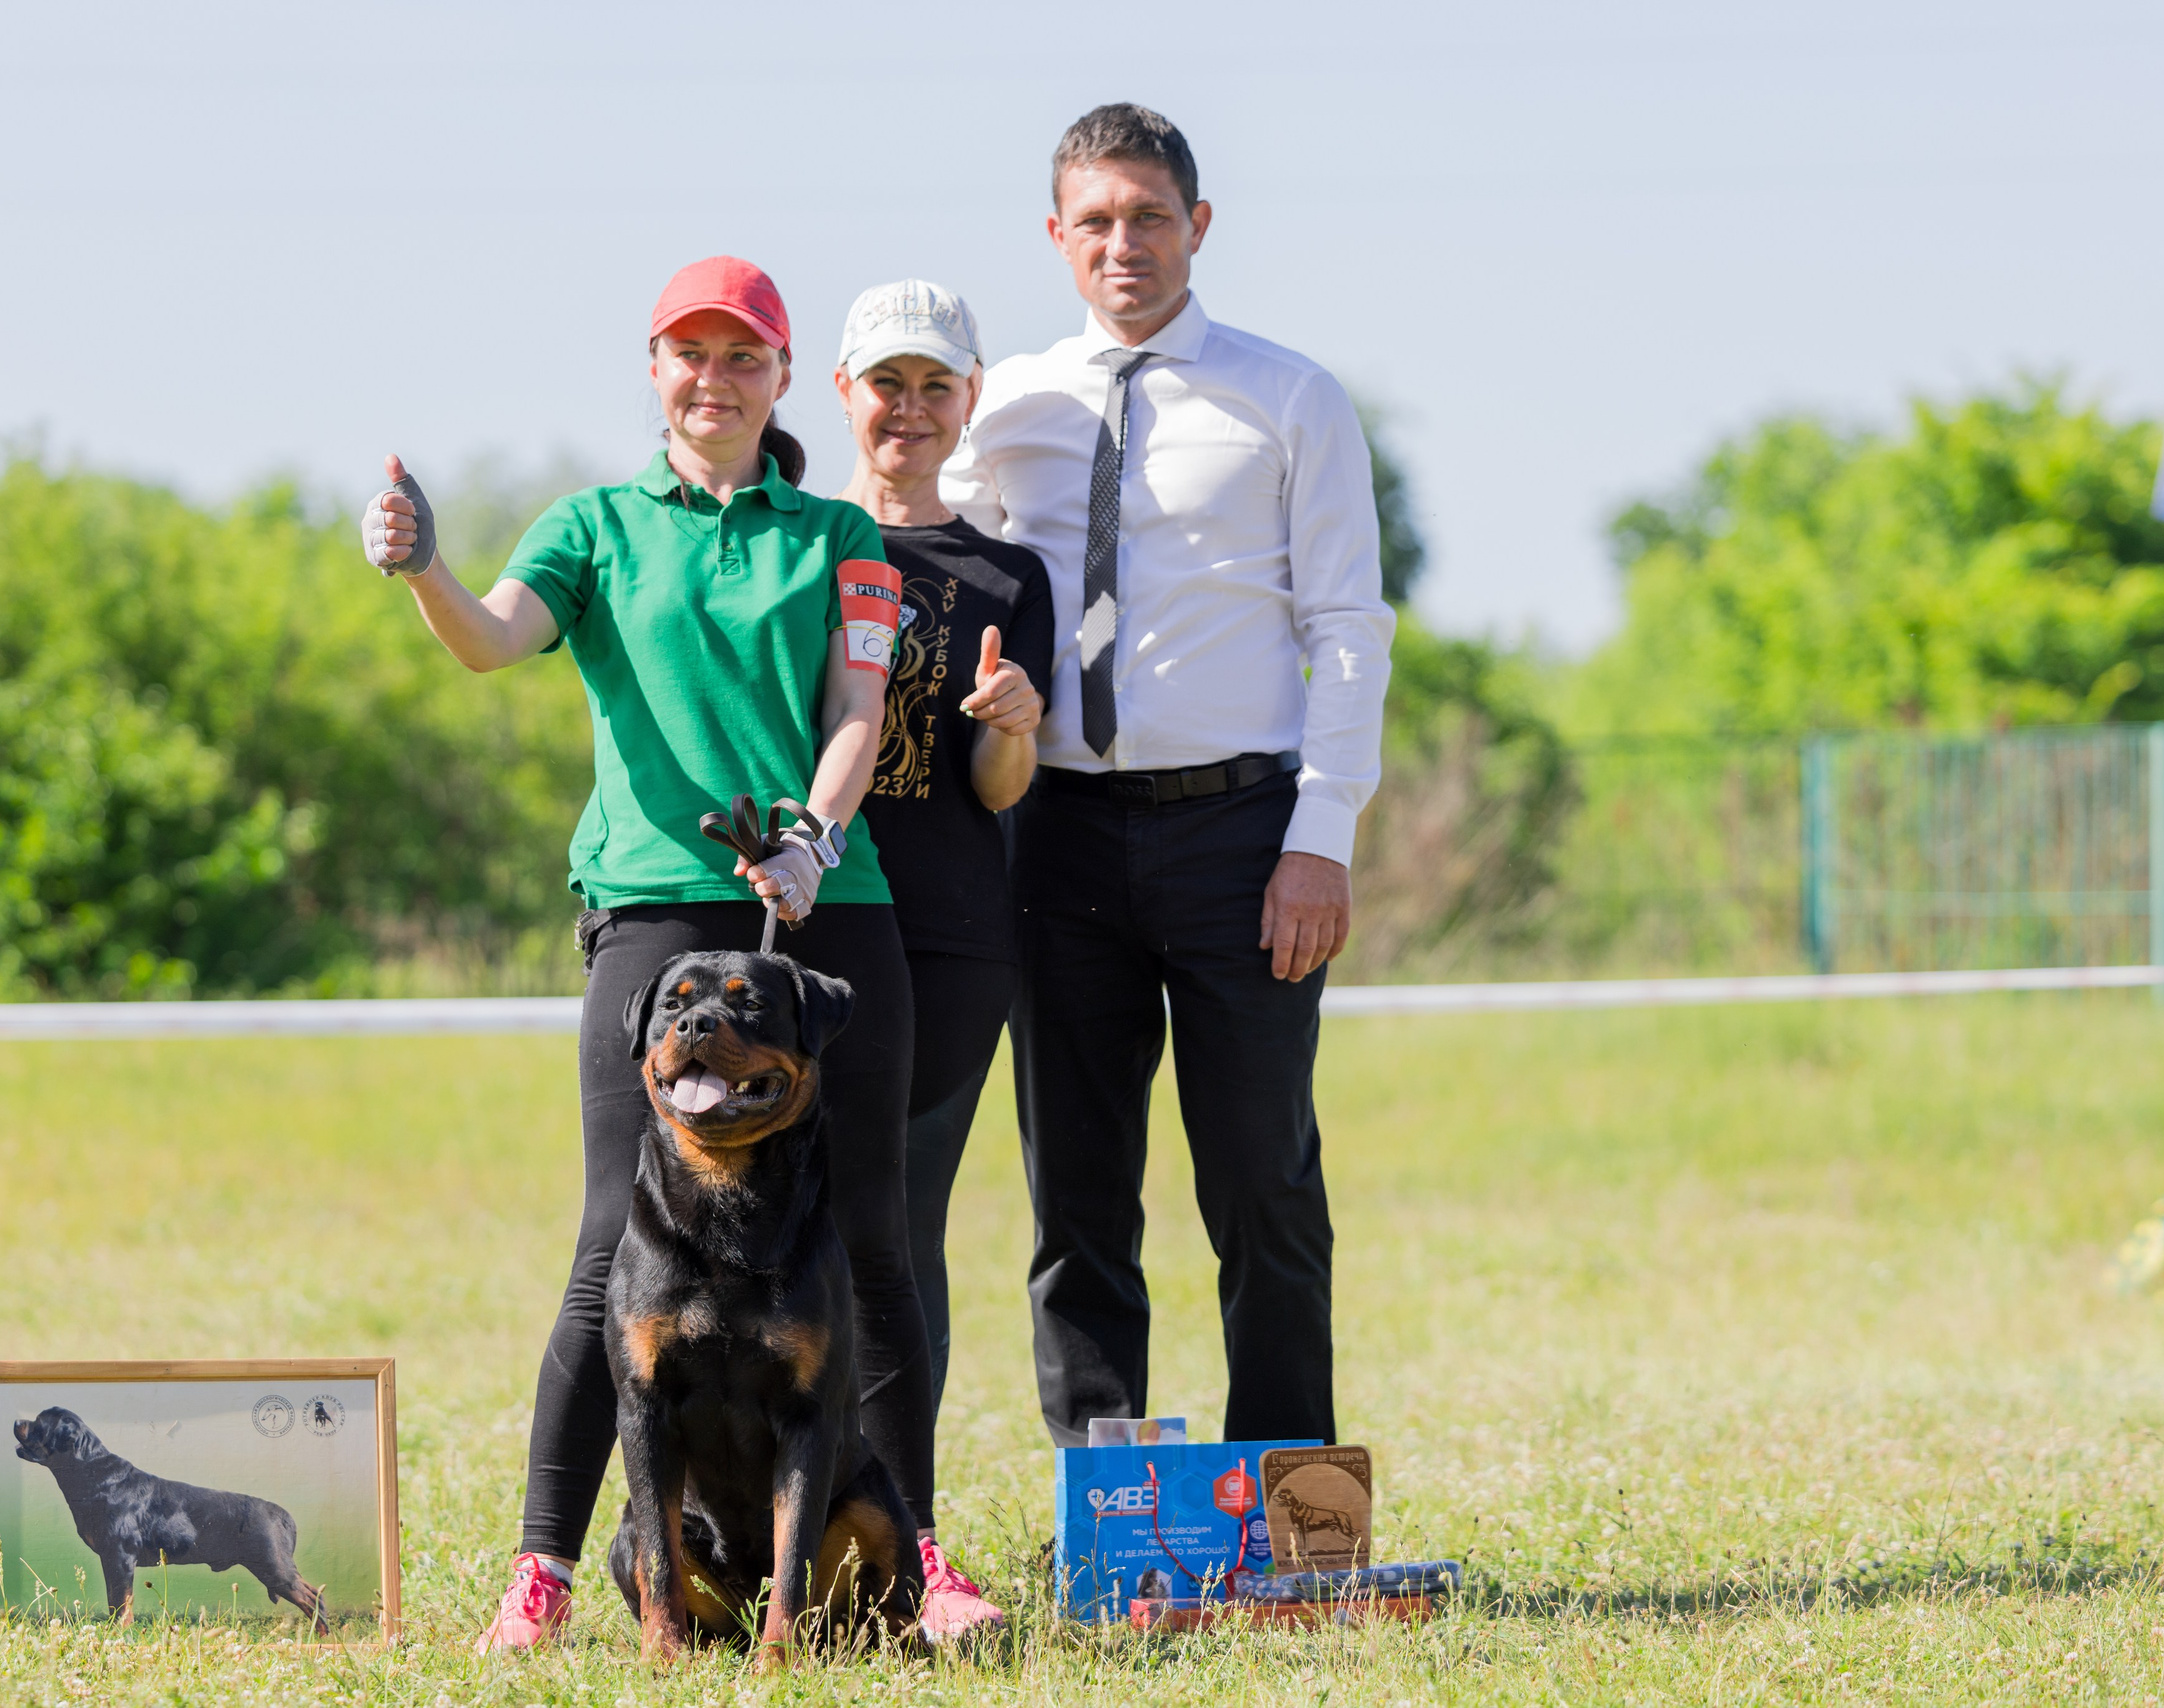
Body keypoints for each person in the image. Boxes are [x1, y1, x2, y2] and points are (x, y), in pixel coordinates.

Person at [361, 256, 990, 1650]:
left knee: (876, 1243)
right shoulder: (590, 524)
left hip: (826, 906)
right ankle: (545, 1571)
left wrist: (820, 838)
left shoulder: (843, 536)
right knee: (609, 1251)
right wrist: (424, 570)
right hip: (652, 906)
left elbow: (855, 706)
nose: (714, 379)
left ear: (781, 379)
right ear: (655, 369)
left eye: (743, 358)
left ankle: (919, 1554)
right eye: (688, 355)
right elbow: (491, 642)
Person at [939, 106, 1395, 1449]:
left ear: (1199, 225)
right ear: (1057, 238)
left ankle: (1290, 1506)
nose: (1123, 243)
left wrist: (1325, 836)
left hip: (1244, 838)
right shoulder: (1006, 405)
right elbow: (917, 542)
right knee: (1077, 1195)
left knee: (1263, 1179)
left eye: (1149, 216)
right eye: (1096, 220)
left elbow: (1349, 630)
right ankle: (1109, 1502)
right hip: (1056, 835)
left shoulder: (1290, 396)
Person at [829, 284, 1052, 1607]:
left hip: (956, 940)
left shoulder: (1006, 576)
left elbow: (1000, 788)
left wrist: (1015, 717)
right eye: (886, 383)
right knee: (770, 1234)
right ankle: (761, 1526)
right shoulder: (795, 545)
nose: (909, 410)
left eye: (935, 387)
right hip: (811, 925)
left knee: (903, 1235)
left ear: (967, 401)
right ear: (843, 394)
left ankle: (904, 1541)